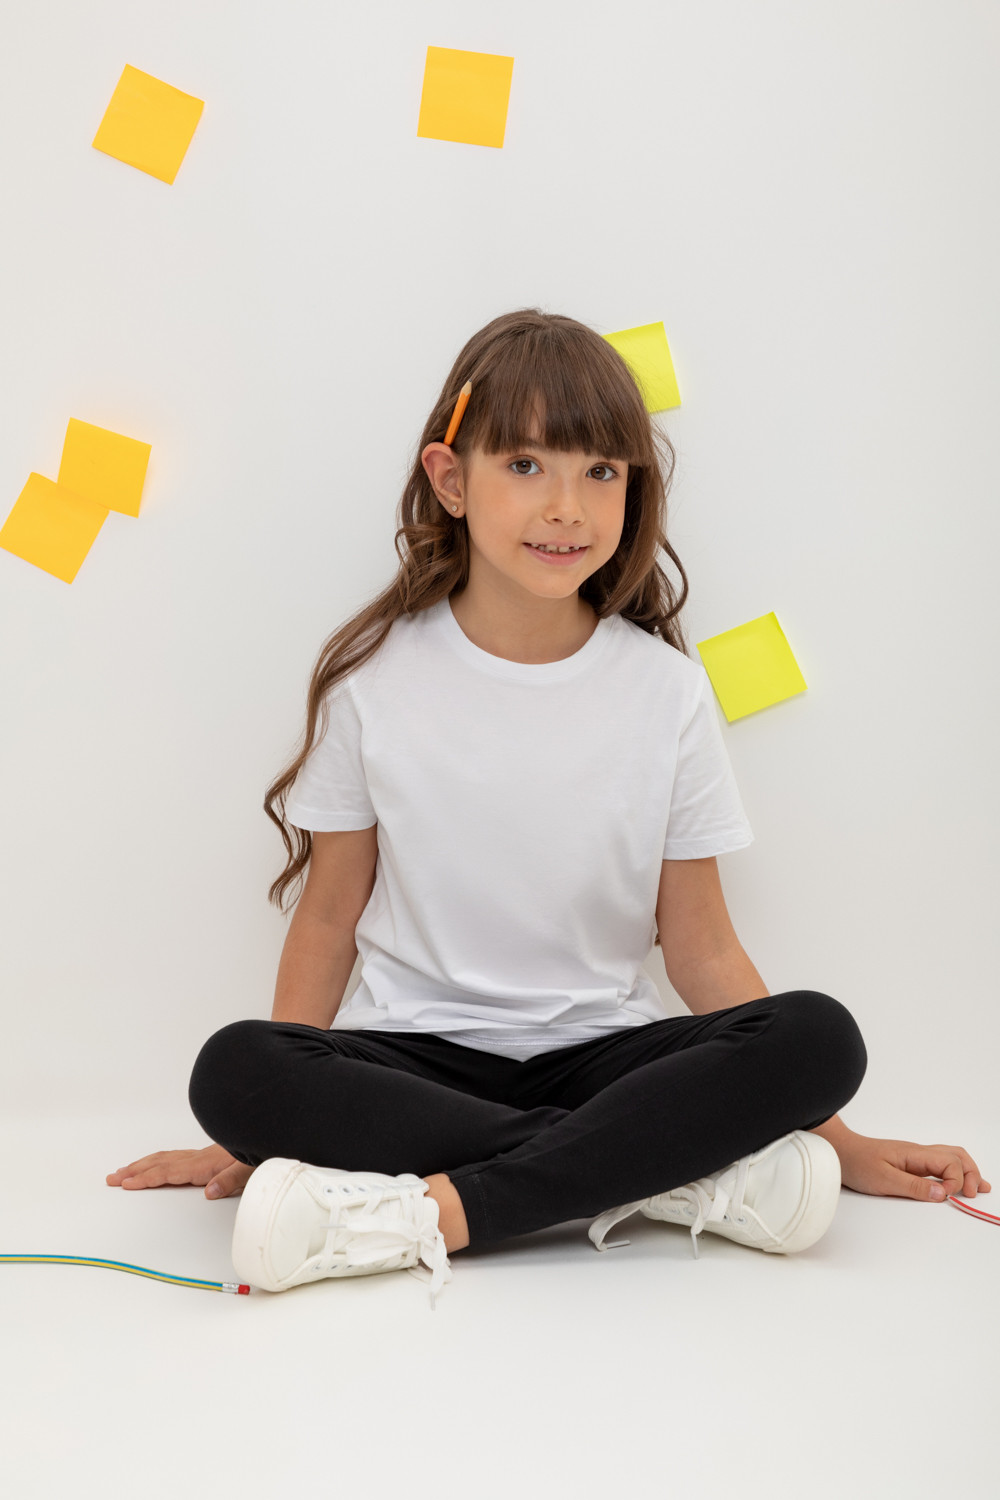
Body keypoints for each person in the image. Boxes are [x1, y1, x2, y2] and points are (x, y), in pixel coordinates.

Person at [107, 309, 990, 1309]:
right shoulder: (374, 685)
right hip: (415, 1062)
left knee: (820, 1039)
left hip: (604, 1060)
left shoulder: (665, 693)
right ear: (451, 480)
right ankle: (662, 1172)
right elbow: (327, 918)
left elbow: (701, 947)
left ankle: (444, 1209)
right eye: (525, 465)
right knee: (236, 1069)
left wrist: (841, 1137)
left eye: (600, 472)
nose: (566, 507)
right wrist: (258, 1133)